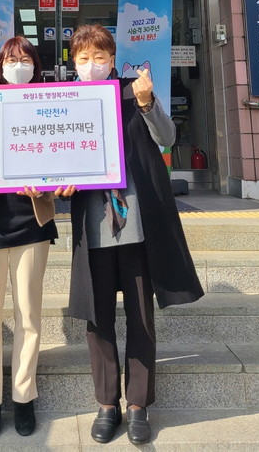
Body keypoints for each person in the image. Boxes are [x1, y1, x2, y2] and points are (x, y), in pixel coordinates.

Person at [66, 24, 204, 446]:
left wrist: (147, 104)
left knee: (141, 318)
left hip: (135, 226)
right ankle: (107, 404)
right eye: (84, 58)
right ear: (73, 63)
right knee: (98, 319)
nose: (92, 65)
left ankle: (138, 405)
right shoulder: (63, 100)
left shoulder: (133, 91)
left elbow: (168, 138)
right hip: (93, 229)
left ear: (113, 58)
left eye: (100, 56)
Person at [0, 36, 61, 441]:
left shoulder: (49, 104)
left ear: (35, 67)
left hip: (31, 220)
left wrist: (48, 183)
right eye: (11, 60)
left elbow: (60, 154)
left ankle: (23, 397)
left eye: (25, 60)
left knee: (29, 316)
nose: (18, 66)